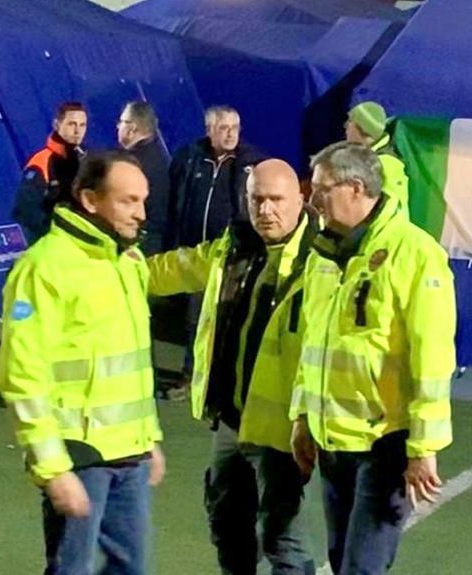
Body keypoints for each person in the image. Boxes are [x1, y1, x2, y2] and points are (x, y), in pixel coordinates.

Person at [290, 141, 457, 574]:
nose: (313, 200)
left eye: (322, 189)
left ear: (356, 188)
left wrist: (423, 448)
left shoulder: (415, 254)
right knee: (341, 560)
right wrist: (302, 417)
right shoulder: (324, 253)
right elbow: (312, 343)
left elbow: (432, 356)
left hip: (385, 445)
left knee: (361, 567)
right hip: (331, 441)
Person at [0, 151, 166, 575]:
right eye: (128, 201)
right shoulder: (43, 268)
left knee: (132, 569)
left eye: (143, 200)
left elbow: (128, 366)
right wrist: (53, 468)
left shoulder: (127, 261)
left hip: (132, 456)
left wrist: (148, 438)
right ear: (90, 200)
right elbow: (22, 375)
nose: (141, 213)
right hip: (79, 458)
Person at [147, 159, 317, 574]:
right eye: (256, 200)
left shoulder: (320, 261)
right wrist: (112, 272)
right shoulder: (234, 246)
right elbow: (178, 268)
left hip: (280, 427)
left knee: (282, 537)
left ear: (300, 200)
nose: (266, 210)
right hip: (232, 419)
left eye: (276, 200)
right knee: (227, 523)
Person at [166, 105, 266, 399]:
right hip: (196, 254)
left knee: (228, 321)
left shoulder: (252, 163)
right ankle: (191, 377)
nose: (231, 134)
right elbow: (176, 203)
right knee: (196, 320)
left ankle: (224, 383)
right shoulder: (190, 158)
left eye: (235, 127)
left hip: (232, 258)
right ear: (209, 130)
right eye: (224, 128)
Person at [13, 101, 88, 243]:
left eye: (82, 125)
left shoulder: (88, 160)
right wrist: (54, 234)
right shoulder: (42, 162)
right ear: (57, 125)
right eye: (72, 124)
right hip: (54, 243)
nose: (77, 131)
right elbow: (25, 209)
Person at [117, 100, 171, 255]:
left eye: (121, 122)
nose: (118, 126)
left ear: (132, 128)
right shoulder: (162, 158)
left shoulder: (129, 164)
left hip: (136, 245)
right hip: (157, 242)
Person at [344, 101, 410, 218]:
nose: (345, 126)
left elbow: (393, 211)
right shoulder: (368, 160)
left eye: (350, 121)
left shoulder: (386, 164)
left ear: (362, 128)